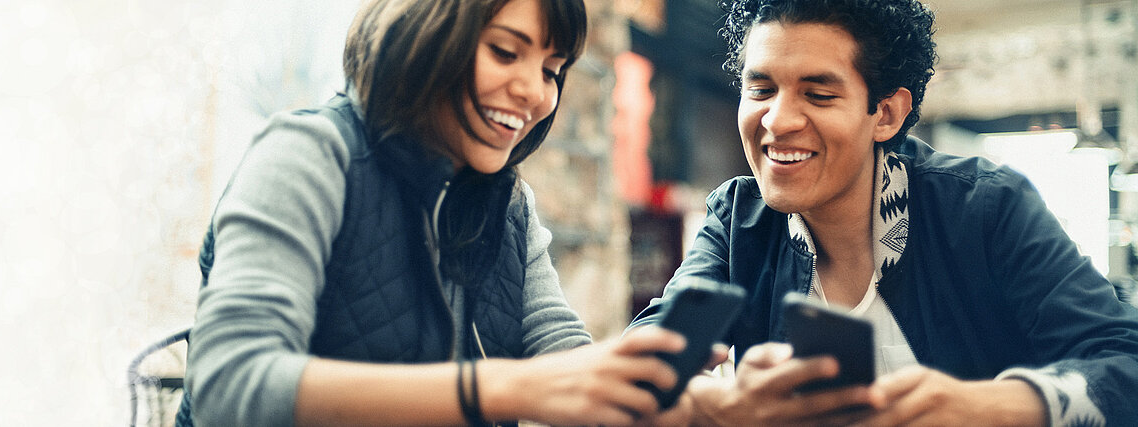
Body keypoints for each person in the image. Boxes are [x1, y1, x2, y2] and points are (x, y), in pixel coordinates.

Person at [177, 0, 707, 426]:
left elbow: (560, 354)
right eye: (505, 52)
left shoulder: (510, 204)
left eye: (552, 70)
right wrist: (506, 388)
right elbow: (230, 384)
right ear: (427, 32)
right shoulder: (309, 154)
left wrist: (692, 406)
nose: (534, 93)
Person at [629, 0, 1138, 426]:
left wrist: (984, 406)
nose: (777, 121)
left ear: (886, 113)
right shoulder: (737, 222)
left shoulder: (984, 206)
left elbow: (1125, 364)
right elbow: (634, 375)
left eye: (819, 94)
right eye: (760, 90)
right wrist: (716, 404)